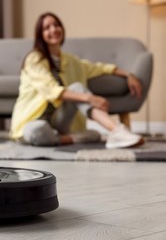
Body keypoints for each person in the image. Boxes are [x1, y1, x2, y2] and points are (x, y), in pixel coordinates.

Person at [10, 12, 144, 149]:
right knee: (38, 130)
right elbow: (52, 90)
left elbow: (101, 68)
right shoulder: (34, 59)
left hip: (59, 122)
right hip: (33, 122)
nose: (53, 29)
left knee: (78, 90)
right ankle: (68, 138)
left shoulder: (71, 61)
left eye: (56, 25)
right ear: (40, 34)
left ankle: (117, 131)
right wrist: (89, 98)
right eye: (47, 27)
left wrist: (129, 75)